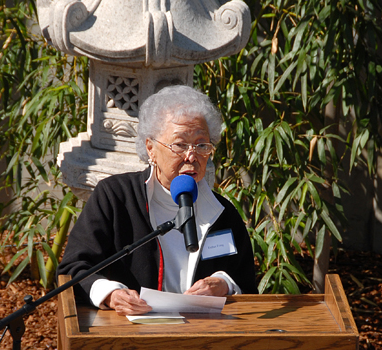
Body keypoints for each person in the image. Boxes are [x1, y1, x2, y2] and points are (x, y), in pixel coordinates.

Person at [57, 85, 257, 315]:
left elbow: (245, 281)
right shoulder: (115, 197)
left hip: (203, 337)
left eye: (201, 145)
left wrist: (224, 283)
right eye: (179, 145)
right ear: (150, 148)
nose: (191, 155)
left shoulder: (222, 212)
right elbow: (73, 269)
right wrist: (111, 294)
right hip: (128, 336)